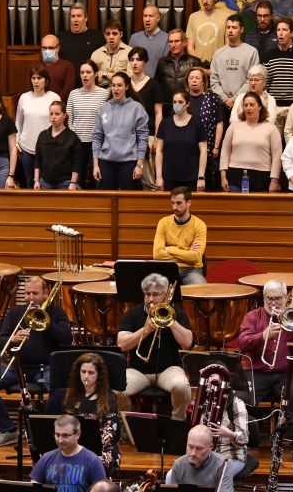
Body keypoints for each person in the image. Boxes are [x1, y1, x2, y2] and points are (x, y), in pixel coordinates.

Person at [238, 279, 293, 465]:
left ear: (285, 298)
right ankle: (242, 442)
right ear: (264, 298)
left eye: (278, 298)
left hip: (288, 373)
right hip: (257, 371)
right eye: (269, 299)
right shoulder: (252, 316)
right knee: (240, 397)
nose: (274, 303)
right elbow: (242, 343)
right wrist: (262, 336)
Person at [0, 276, 72, 446]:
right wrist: (13, 338)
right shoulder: (15, 313)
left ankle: (45, 430)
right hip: (17, 366)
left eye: (35, 293)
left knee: (60, 388)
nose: (30, 298)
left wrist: (47, 323)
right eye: (27, 293)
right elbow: (1, 340)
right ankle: (9, 430)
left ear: (45, 293)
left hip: (47, 366)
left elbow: (67, 338)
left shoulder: (57, 313)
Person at [118, 273, 193, 420]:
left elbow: (187, 342)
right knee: (116, 389)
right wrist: (145, 331)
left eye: (156, 294)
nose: (151, 299)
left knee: (181, 386)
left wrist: (170, 321)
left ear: (165, 295)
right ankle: (127, 425)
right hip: (138, 370)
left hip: (169, 369)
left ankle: (177, 422)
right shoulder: (133, 314)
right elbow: (122, 344)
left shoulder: (176, 313)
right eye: (147, 294)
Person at [59, 352, 121, 474]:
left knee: (90, 465)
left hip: (102, 449)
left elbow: (111, 432)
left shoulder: (109, 398)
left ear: (99, 375)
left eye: (91, 373)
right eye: (83, 372)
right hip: (74, 446)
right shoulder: (72, 397)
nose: (86, 376)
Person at [92, 72, 149, 190]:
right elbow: (97, 137)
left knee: (128, 203)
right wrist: (96, 165)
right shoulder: (103, 108)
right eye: (113, 85)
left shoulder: (137, 108)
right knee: (106, 202)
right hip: (106, 162)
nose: (115, 89)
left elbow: (142, 138)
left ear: (127, 86)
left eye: (119, 85)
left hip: (129, 163)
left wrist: (140, 165)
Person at [220, 90, 282, 192]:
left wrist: (274, 181)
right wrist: (223, 177)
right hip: (235, 175)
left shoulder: (271, 129)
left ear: (260, 107)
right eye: (246, 105)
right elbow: (225, 152)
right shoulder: (234, 126)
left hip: (261, 176)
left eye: (252, 105)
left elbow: (276, 157)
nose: (248, 108)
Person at [30, 414, 106, 492]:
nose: (60, 440)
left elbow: (102, 489)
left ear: (78, 434)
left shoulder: (92, 460)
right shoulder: (46, 457)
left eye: (65, 435)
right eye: (57, 435)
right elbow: (34, 486)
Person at [16, 64, 62, 188]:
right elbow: (18, 122)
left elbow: (59, 123)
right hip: (26, 148)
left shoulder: (54, 97)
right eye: (33, 78)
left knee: (45, 182)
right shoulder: (24, 98)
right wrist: (17, 141)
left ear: (46, 81)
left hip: (48, 148)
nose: (36, 82)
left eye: (39, 78)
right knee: (29, 181)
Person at [66, 61, 108, 189]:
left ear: (95, 74)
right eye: (82, 72)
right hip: (78, 143)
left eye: (88, 72)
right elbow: (68, 118)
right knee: (77, 180)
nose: (85, 75)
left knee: (99, 179)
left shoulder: (104, 94)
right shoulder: (74, 94)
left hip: (98, 143)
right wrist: (73, 138)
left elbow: (107, 119)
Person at [155, 90, 208, 191]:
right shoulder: (165, 123)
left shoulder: (197, 123)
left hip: (191, 178)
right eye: (174, 102)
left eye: (180, 102)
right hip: (169, 177)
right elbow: (159, 151)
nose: (177, 105)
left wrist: (201, 177)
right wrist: (158, 176)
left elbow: (204, 151)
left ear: (187, 104)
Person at [153, 186, 207, 285]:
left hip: (191, 270)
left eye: (179, 203)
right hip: (169, 267)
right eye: (172, 203)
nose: (174, 207)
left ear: (188, 203)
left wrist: (170, 249)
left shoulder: (199, 225)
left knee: (201, 288)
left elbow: (196, 257)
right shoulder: (163, 222)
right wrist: (187, 252)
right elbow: (157, 255)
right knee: (151, 287)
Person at [128, 46, 164, 189]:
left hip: (148, 133)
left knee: (149, 177)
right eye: (132, 60)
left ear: (145, 62)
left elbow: (158, 112)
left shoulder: (154, 84)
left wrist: (157, 137)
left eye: (139, 59)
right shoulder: (126, 84)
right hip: (128, 135)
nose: (135, 63)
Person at [263, 16, 293, 114]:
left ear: (292, 33)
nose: (280, 33)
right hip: (274, 107)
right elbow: (266, 83)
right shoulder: (269, 55)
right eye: (278, 30)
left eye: (284, 30)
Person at [210, 14, 259, 112]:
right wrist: (225, 99)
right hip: (221, 104)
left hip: (244, 104)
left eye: (234, 27)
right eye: (228, 27)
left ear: (241, 30)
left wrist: (235, 99)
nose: (230, 30)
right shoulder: (218, 53)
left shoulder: (251, 52)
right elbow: (214, 81)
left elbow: (251, 80)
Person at [186, 65, 225, 189]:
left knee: (205, 184)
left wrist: (216, 146)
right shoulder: (182, 98)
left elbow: (219, 123)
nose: (194, 80)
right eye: (191, 78)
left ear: (203, 81)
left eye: (197, 78)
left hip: (207, 149)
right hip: (185, 149)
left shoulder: (212, 98)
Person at [166, 424, 234, 492]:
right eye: (190, 447)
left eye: (199, 449)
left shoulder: (223, 465)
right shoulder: (178, 464)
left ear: (210, 447)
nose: (193, 453)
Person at [34, 100, 81, 190]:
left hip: (65, 182)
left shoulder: (72, 137)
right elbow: (37, 159)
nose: (53, 117)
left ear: (64, 115)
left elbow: (77, 162)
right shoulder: (43, 135)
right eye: (51, 114)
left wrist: (73, 182)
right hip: (45, 181)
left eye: (57, 114)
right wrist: (36, 180)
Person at [156, 29, 202, 118]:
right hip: (166, 109)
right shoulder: (162, 62)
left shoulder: (194, 62)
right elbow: (157, 86)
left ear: (185, 42)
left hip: (188, 108)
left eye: (177, 41)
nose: (173, 45)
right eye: (170, 42)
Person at [59, 3, 106, 87]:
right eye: (73, 16)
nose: (75, 19)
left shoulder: (97, 36)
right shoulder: (61, 36)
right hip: (66, 85)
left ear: (86, 18)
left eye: (79, 16)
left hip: (91, 86)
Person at [186, 0, 233, 66]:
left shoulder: (226, 17)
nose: (205, 1)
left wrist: (217, 66)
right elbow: (190, 47)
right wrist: (199, 65)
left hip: (219, 65)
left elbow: (228, 46)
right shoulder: (193, 17)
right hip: (197, 68)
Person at [129, 3, 169, 76]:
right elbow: (130, 64)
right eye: (145, 16)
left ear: (158, 18)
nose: (147, 19)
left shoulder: (167, 38)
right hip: (138, 83)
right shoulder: (134, 38)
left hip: (158, 83)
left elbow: (166, 66)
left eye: (151, 16)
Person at [91, 20, 132, 88]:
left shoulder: (130, 52)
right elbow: (92, 77)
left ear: (121, 34)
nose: (111, 37)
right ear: (104, 35)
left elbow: (130, 77)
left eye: (114, 33)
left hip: (122, 91)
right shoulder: (96, 54)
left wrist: (105, 74)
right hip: (101, 92)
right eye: (108, 34)